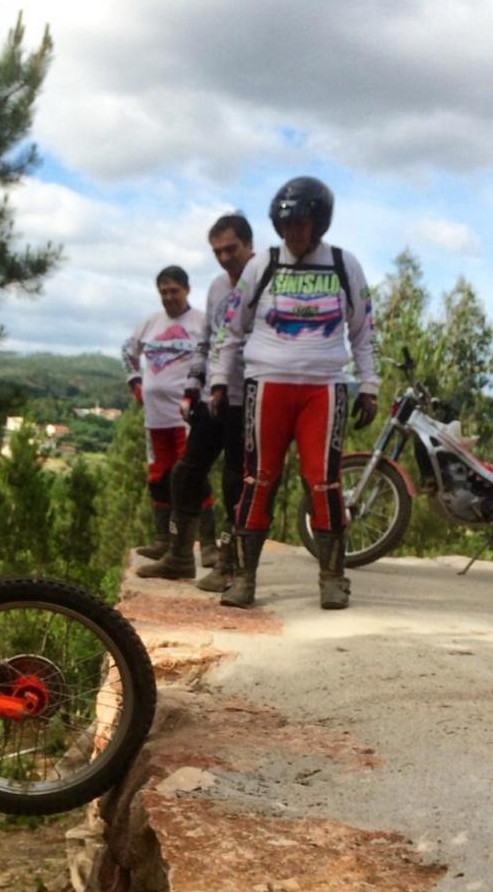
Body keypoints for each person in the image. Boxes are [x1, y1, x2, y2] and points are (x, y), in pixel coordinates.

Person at [208, 176, 379, 610]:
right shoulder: (261, 264)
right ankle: (244, 578)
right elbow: (231, 328)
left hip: (323, 389)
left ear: (319, 223)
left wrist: (370, 385)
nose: (293, 234)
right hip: (267, 384)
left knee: (323, 483)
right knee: (258, 479)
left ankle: (332, 578)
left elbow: (362, 332)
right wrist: (218, 380)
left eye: (301, 225)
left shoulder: (345, 264)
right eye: (285, 226)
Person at [137, 213, 256, 586]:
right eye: (217, 251)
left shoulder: (265, 280)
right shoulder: (218, 287)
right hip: (212, 396)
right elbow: (209, 338)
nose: (223, 258)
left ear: (248, 245)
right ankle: (178, 557)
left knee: (236, 481)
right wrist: (193, 387)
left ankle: (230, 564)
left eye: (230, 249)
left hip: (249, 394)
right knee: (185, 473)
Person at [122, 266, 216, 564]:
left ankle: (209, 544)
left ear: (187, 290)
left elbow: (216, 357)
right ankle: (164, 540)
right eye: (163, 292)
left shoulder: (201, 322)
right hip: (155, 419)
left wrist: (207, 392)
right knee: (159, 479)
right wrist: (135, 381)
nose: (169, 297)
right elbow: (127, 350)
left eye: (174, 290)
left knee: (190, 477)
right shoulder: (150, 322)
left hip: (187, 417)